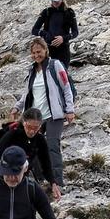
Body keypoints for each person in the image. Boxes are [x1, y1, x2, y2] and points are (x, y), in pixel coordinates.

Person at [13, 38, 75, 190]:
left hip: (54, 115)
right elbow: (27, 93)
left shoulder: (55, 65)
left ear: (46, 51)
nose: (36, 55)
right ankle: (42, 179)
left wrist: (70, 109)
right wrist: (17, 107)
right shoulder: (32, 71)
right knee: (32, 149)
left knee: (52, 146)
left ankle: (58, 183)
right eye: (33, 53)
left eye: (39, 52)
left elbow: (66, 87)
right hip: (36, 118)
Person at [0, 108, 61, 201]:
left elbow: (46, 163)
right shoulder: (13, 134)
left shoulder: (40, 139)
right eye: (29, 127)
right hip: (6, 176)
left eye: (35, 128)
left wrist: (53, 183)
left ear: (40, 126)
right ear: (24, 123)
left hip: (24, 176)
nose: (32, 131)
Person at [31, 0, 78, 71]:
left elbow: (75, 32)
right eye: (52, 0)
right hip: (48, 50)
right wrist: (45, 34)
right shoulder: (47, 12)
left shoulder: (69, 12)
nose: (54, 2)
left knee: (62, 77)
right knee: (49, 77)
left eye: (56, 0)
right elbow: (34, 30)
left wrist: (63, 38)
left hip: (63, 51)